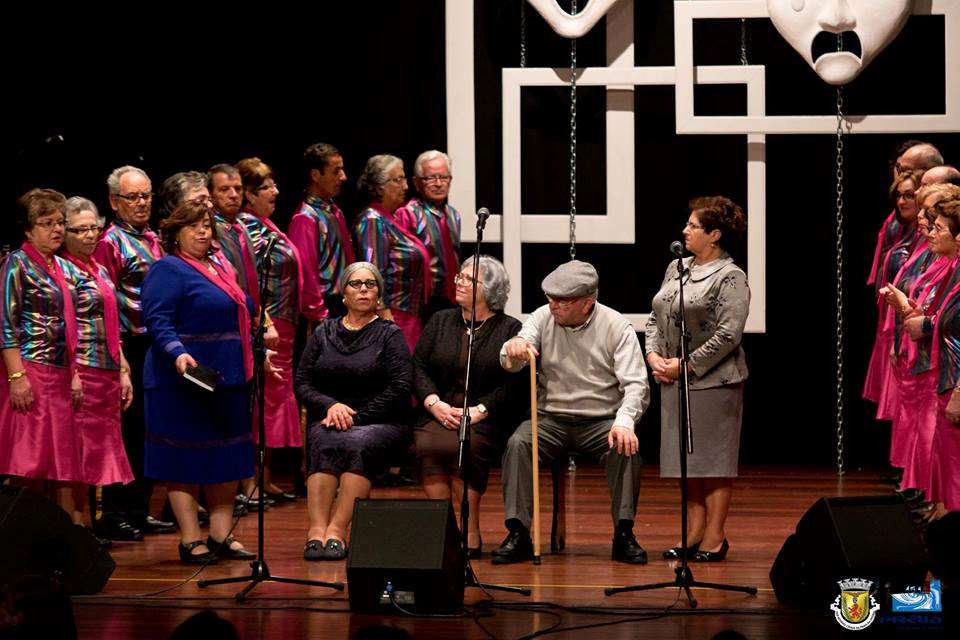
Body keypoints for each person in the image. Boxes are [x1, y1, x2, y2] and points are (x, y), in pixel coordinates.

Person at [495, 260, 650, 564]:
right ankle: (518, 532)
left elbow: (636, 385)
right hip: (551, 418)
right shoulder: (542, 316)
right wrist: (513, 349)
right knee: (518, 444)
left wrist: (624, 421)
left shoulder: (616, 326)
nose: (553, 306)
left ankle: (623, 532)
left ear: (587, 302)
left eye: (562, 301)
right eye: (550, 298)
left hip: (601, 420)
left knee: (627, 448)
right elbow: (513, 354)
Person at [141, 200, 257, 564]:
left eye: (207, 225)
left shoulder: (220, 265)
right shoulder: (168, 269)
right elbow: (158, 319)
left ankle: (222, 535)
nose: (204, 231)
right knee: (184, 458)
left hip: (229, 377)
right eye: (194, 226)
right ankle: (191, 539)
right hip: (184, 379)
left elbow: (241, 309)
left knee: (226, 456)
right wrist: (177, 353)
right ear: (175, 234)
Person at [645, 196, 749, 562]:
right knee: (687, 462)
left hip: (713, 383)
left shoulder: (730, 276)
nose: (685, 230)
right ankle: (692, 533)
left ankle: (715, 537)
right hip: (674, 380)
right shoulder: (677, 268)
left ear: (714, 235)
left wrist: (685, 365)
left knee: (713, 462)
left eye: (693, 226)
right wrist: (653, 355)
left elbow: (728, 334)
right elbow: (656, 316)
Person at [297, 262, 412, 561]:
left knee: (356, 442)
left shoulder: (390, 334)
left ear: (378, 295)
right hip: (330, 416)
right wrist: (330, 406)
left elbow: (401, 386)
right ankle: (316, 530)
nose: (363, 289)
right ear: (344, 294)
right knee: (321, 437)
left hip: (380, 420)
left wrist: (356, 417)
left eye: (370, 284)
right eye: (356, 284)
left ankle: (337, 530)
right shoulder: (324, 331)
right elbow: (302, 382)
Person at [413, 256, 526, 557]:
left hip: (485, 419)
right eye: (459, 277)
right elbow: (419, 367)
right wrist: (433, 402)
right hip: (440, 412)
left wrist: (481, 410)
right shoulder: (440, 321)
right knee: (428, 443)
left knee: (467, 445)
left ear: (488, 289)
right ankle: (445, 528)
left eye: (468, 279)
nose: (458, 282)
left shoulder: (509, 328)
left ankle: (470, 528)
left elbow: (514, 383)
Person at [94, 166, 174, 540]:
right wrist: (120, 358)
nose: (142, 203)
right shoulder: (110, 242)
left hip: (157, 344)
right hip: (129, 345)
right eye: (133, 197)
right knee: (126, 431)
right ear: (114, 202)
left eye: (146, 195)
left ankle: (141, 510)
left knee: (150, 430)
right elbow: (107, 302)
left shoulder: (154, 239)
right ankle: (115, 512)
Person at [0, 189, 84, 518]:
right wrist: (17, 376)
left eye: (60, 222)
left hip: (60, 373)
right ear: (28, 228)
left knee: (62, 461)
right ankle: (17, 538)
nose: (57, 229)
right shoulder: (16, 263)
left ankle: (63, 539)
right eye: (47, 223)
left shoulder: (60, 266)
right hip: (31, 371)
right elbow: (5, 324)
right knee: (27, 461)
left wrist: (74, 373)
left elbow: (69, 323)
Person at [60, 197, 135, 530]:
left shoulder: (100, 268)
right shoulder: (61, 269)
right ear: (64, 233)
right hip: (82, 368)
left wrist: (122, 367)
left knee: (102, 451)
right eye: (80, 230)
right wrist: (73, 371)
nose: (91, 235)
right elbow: (65, 326)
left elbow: (111, 320)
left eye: (94, 227)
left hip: (107, 368)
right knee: (80, 452)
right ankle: (80, 525)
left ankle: (95, 524)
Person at [235, 157, 301, 501]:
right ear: (247, 195)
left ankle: (267, 476)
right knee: (261, 399)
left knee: (273, 397)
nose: (275, 191)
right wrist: (265, 321)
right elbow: (252, 282)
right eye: (265, 187)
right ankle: (251, 481)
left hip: (285, 323)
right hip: (268, 322)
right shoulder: (249, 228)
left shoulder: (266, 225)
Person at [863, 169, 926, 422]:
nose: (902, 202)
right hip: (893, 325)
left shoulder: (925, 239)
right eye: (899, 196)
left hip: (910, 325)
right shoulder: (900, 230)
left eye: (909, 195)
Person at [354, 154, 432, 351]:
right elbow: (371, 273)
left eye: (404, 179)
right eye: (398, 180)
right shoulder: (372, 220)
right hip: (392, 318)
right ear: (380, 186)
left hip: (407, 317)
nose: (405, 186)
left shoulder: (390, 219)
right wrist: (384, 317)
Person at [288, 143, 355, 322]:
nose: (343, 177)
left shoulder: (335, 211)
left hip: (344, 306)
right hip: (324, 311)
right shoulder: (305, 218)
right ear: (315, 175)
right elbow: (307, 276)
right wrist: (321, 317)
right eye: (336, 171)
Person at [394, 150, 461, 318]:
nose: (439, 183)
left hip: (453, 299)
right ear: (417, 182)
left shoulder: (453, 214)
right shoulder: (408, 214)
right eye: (431, 178)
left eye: (444, 177)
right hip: (422, 303)